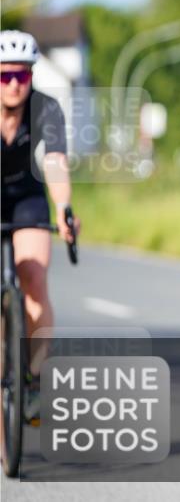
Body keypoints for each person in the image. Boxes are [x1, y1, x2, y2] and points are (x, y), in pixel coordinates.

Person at [0, 30, 81, 419]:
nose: (14, 84)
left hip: (27, 195)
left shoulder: (46, 108)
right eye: (5, 76)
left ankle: (32, 377)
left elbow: (54, 163)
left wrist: (64, 207)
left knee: (33, 277)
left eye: (22, 75)